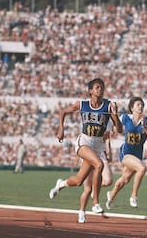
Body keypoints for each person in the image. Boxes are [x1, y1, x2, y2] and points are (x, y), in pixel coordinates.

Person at [49, 78, 122, 215]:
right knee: (99, 165)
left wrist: (115, 114)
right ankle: (95, 203)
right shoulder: (82, 104)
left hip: (99, 145)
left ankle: (61, 184)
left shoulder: (108, 106)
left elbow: (120, 130)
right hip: (84, 142)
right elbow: (63, 112)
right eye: (97, 87)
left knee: (78, 181)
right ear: (90, 91)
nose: (100, 90)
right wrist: (61, 129)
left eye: (102, 87)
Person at [106, 96, 147, 209]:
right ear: (132, 108)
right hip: (126, 152)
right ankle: (133, 196)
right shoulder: (126, 118)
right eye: (138, 105)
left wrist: (144, 127)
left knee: (125, 179)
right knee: (142, 169)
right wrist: (112, 128)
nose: (141, 107)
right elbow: (115, 122)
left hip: (137, 154)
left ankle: (111, 195)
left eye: (142, 105)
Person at [77, 123, 114, 223]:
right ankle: (82, 212)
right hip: (87, 149)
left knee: (108, 180)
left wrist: (109, 151)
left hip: (100, 151)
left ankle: (95, 199)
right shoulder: (91, 112)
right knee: (86, 188)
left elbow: (107, 137)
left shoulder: (109, 119)